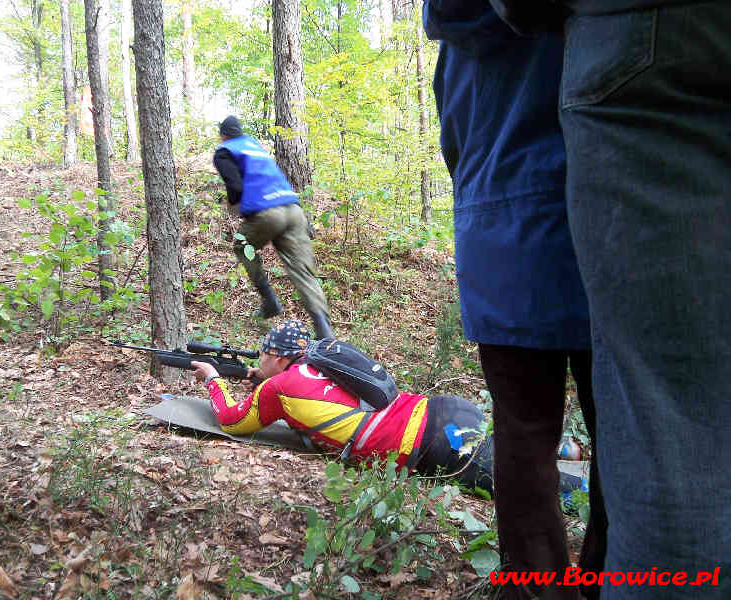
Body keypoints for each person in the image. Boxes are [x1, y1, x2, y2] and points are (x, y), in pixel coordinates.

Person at [487, 2, 731, 598]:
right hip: (530, 224)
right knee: (610, 426)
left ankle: (565, 586)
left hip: (524, 227)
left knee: (629, 430)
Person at [423, 2, 607, 599]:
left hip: (499, 237)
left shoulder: (456, 42)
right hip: (601, 226)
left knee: (523, 429)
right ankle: (613, 578)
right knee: (622, 429)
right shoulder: (590, 17)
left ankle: (534, 589)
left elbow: (455, 146)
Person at [190, 320, 587, 496]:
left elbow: (232, 420)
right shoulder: (316, 363)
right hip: (441, 413)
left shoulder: (277, 387)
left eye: (262, 357)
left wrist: (213, 377)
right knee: (510, 447)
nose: (258, 363)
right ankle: (565, 449)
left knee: (529, 485)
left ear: (278, 358)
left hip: (434, 444)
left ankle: (588, 488)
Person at [212, 116, 333, 340]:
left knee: (242, 245)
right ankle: (324, 329)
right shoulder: (254, 146)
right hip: (294, 211)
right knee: (303, 271)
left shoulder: (224, 151)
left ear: (223, 134)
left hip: (269, 213)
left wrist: (232, 203)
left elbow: (235, 187)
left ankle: (269, 301)